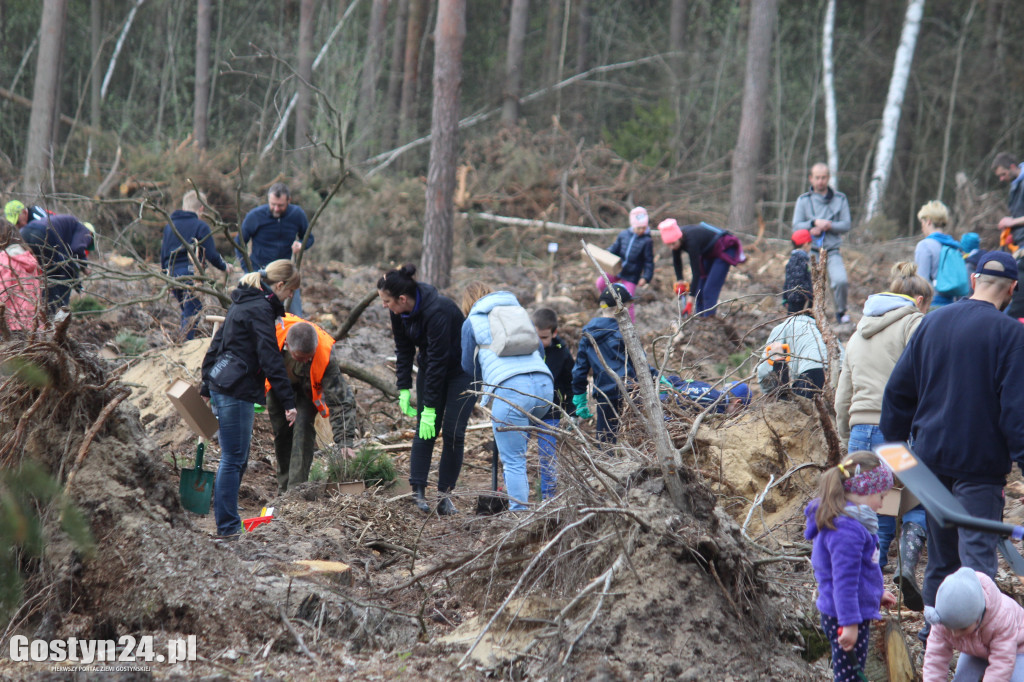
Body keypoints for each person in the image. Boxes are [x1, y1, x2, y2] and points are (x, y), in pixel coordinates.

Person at [881, 251, 1024, 643]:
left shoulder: (933, 321)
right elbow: (1017, 413)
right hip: (979, 469)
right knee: (977, 568)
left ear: (974, 280)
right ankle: (977, 652)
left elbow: (898, 391)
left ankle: (934, 637)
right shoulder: (1011, 334)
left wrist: (895, 448)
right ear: (1012, 289)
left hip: (929, 466)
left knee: (942, 562)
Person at [835, 262, 932, 609]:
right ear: (919, 301)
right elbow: (924, 377)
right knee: (917, 495)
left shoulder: (858, 331)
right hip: (897, 430)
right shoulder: (914, 323)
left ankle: (866, 583)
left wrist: (846, 431)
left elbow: (843, 393)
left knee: (866, 508)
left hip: (859, 431)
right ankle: (906, 561)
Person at [201, 259, 299, 538]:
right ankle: (228, 527)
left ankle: (228, 519)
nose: (290, 297)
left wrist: (206, 383)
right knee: (233, 459)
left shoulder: (244, 301)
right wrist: (288, 402)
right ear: (280, 285)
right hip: (236, 389)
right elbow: (270, 357)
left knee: (236, 458)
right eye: (290, 291)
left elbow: (217, 344)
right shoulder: (259, 308)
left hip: (223, 384)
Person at [378, 264, 476, 515]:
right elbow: (403, 349)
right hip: (431, 368)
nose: (384, 306)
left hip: (460, 372)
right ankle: (418, 491)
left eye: (386, 301)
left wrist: (430, 407)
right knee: (425, 429)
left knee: (453, 432)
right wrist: (403, 387)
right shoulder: (398, 312)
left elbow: (438, 362)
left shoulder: (438, 310)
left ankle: (445, 496)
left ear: (402, 298)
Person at [804, 451, 898, 682]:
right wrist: (849, 624)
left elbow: (861, 570)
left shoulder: (852, 522)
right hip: (844, 616)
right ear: (864, 490)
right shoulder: (847, 530)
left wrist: (876, 593)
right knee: (849, 677)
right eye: (881, 496)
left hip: (849, 612)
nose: (882, 504)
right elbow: (844, 582)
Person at [461, 283, 553, 511]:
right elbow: (540, 351)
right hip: (544, 385)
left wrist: (489, 381)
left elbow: (468, 366)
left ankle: (519, 517)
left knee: (514, 460)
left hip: (512, 391)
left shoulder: (471, 321)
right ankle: (550, 503)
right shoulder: (518, 312)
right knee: (537, 450)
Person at [265, 315, 359, 493]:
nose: (307, 361)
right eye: (301, 357)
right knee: (282, 433)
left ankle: (295, 491)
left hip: (306, 390)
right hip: (278, 385)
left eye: (310, 357)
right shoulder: (271, 337)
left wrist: (345, 442)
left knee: (302, 429)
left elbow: (340, 400)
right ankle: (283, 487)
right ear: (288, 347)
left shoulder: (324, 354)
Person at [922, 567, 1024, 682]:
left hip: (1017, 650)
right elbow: (935, 658)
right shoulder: (943, 620)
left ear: (977, 618)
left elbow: (1002, 663)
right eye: (950, 628)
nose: (955, 634)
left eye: (962, 628)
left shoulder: (1001, 618)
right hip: (977, 651)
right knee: (962, 678)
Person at [571, 283, 641, 444]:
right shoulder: (626, 332)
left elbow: (580, 368)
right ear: (621, 308)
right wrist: (656, 377)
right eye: (628, 306)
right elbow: (640, 362)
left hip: (605, 395)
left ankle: (607, 459)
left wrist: (579, 394)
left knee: (606, 440)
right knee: (636, 437)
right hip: (631, 392)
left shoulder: (588, 334)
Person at [160, 190, 233, 340]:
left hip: (172, 275)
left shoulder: (169, 226)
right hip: (191, 274)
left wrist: (165, 276)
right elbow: (211, 254)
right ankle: (184, 343)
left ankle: (182, 339)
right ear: (201, 209)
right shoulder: (201, 226)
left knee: (187, 310)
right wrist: (224, 266)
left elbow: (163, 254)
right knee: (192, 312)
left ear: (183, 207)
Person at [238, 182, 311, 315]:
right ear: (268, 200)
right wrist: (247, 269)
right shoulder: (255, 216)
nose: (276, 208)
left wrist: (301, 244)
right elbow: (239, 242)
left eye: (280, 205)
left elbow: (309, 237)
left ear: (289, 200)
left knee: (295, 315)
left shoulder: (297, 214)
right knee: (258, 314)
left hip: (286, 274)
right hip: (261, 272)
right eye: (273, 204)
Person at [792, 163, 852, 323]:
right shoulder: (803, 200)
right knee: (805, 285)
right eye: (817, 178)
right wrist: (813, 224)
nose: (820, 181)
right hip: (809, 252)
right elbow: (796, 226)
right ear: (811, 178)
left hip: (832, 250)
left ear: (828, 178)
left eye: (823, 177)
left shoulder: (840, 199)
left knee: (840, 281)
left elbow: (846, 225)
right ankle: (806, 315)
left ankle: (841, 313)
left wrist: (829, 225)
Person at [658, 218, 745, 317]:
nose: (672, 247)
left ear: (679, 238)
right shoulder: (676, 240)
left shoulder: (691, 241)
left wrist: (690, 301)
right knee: (699, 291)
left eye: (673, 244)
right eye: (668, 245)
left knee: (709, 290)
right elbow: (677, 262)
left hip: (724, 249)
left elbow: (696, 273)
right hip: (709, 252)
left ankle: (709, 322)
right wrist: (680, 282)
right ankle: (699, 321)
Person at [532, 307, 574, 500]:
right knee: (515, 454)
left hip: (550, 411)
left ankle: (548, 498)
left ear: (554, 333)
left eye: (544, 338)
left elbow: (569, 383)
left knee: (548, 455)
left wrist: (572, 411)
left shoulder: (561, 353)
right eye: (537, 336)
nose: (540, 342)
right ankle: (515, 497)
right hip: (525, 407)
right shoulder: (525, 349)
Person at [19, 214, 94, 312]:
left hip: (24, 232)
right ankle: (54, 314)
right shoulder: (84, 230)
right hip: (44, 234)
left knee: (37, 275)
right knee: (57, 276)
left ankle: (34, 312)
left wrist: (79, 286)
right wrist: (84, 266)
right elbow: (77, 249)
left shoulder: (67, 230)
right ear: (91, 234)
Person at [756, 304, 831, 399]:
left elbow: (764, 371)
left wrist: (769, 393)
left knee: (800, 406)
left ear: (787, 305)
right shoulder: (824, 328)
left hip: (811, 373)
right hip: (837, 369)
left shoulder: (783, 328)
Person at [598, 206, 654, 322]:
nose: (641, 230)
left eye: (644, 228)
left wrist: (646, 277)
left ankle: (630, 325)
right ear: (633, 225)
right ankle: (610, 308)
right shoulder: (623, 235)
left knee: (629, 300)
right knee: (600, 283)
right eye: (639, 228)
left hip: (631, 275)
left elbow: (649, 261)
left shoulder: (647, 241)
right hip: (617, 268)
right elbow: (614, 248)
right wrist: (606, 253)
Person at [914, 200, 966, 308]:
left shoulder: (925, 245)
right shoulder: (954, 246)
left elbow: (921, 283)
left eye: (922, 222)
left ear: (928, 221)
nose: (922, 227)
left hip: (932, 304)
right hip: (953, 304)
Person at [992, 152, 1024, 320]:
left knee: (1016, 296)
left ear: (1012, 167)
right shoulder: (1015, 185)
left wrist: (1012, 222)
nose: (1001, 179)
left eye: (1003, 174)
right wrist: (1012, 233)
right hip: (1019, 247)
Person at [0, 227, 43, 331]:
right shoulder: (29, 258)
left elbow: (2, 293)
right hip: (32, 321)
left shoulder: (4, 260)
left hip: (10, 323)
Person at [662, 377, 751, 415]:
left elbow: (673, 379)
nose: (736, 416)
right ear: (737, 402)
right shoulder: (718, 408)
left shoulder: (705, 385)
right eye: (739, 411)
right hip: (661, 408)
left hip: (661, 391)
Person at [784, 228, 814, 315]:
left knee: (792, 319)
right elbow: (799, 279)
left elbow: (787, 280)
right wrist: (809, 295)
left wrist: (785, 297)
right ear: (806, 244)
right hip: (801, 300)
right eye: (810, 244)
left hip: (792, 298)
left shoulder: (792, 258)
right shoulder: (801, 259)